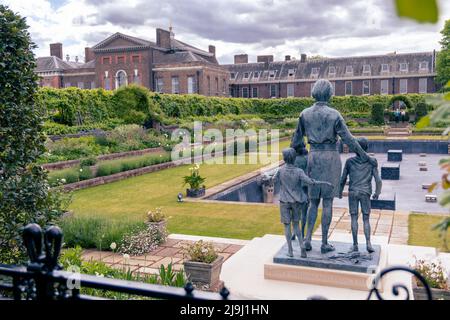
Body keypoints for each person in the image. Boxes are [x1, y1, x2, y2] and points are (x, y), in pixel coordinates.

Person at [291, 79, 374, 254]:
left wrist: (303, 154)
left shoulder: (304, 114)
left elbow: (296, 141)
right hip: (330, 158)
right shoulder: (334, 114)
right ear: (329, 94)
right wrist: (365, 156)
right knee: (327, 202)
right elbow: (349, 140)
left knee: (313, 202)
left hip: (313, 157)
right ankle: (324, 242)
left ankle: (307, 239)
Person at [271, 148, 331, 258]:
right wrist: (324, 182)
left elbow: (273, 180)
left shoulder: (281, 170)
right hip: (297, 201)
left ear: (284, 158)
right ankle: (302, 246)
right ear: (294, 158)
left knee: (287, 226)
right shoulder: (299, 171)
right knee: (296, 226)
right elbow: (310, 182)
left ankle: (290, 250)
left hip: (284, 201)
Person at [338, 137, 382, 253]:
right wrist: (377, 193)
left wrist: (339, 191)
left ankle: (355, 244)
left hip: (353, 192)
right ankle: (368, 243)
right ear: (366, 148)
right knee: (366, 219)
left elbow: (342, 179)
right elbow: (378, 180)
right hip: (365, 192)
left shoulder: (349, 162)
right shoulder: (372, 162)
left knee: (354, 218)